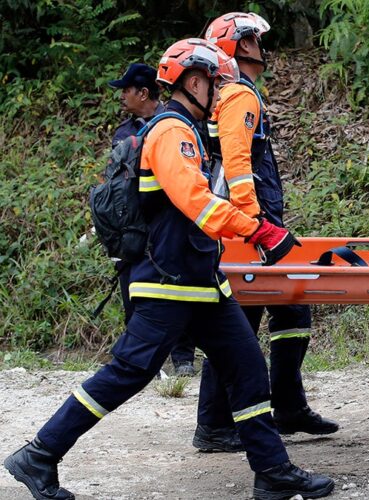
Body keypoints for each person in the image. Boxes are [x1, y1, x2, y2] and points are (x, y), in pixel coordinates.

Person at [4, 38, 334, 500]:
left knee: (247, 370)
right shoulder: (171, 132)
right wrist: (259, 230)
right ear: (194, 82)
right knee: (128, 372)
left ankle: (273, 473)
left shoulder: (188, 131)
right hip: (168, 283)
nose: (221, 97)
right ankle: (39, 455)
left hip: (199, 282)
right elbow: (198, 204)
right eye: (217, 86)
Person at [202, 12, 339, 437]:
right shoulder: (239, 95)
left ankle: (288, 406)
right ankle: (216, 424)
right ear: (241, 45)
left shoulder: (229, 93)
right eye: (257, 39)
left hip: (246, 220)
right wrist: (255, 223)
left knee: (291, 307)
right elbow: (239, 165)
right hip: (247, 222)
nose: (263, 46)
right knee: (238, 318)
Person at [108, 63, 198, 377]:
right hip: (132, 227)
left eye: (126, 90)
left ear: (143, 92)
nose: (121, 96)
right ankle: (139, 363)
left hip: (167, 225)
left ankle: (183, 359)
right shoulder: (124, 133)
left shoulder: (175, 125)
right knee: (133, 292)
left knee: (176, 286)